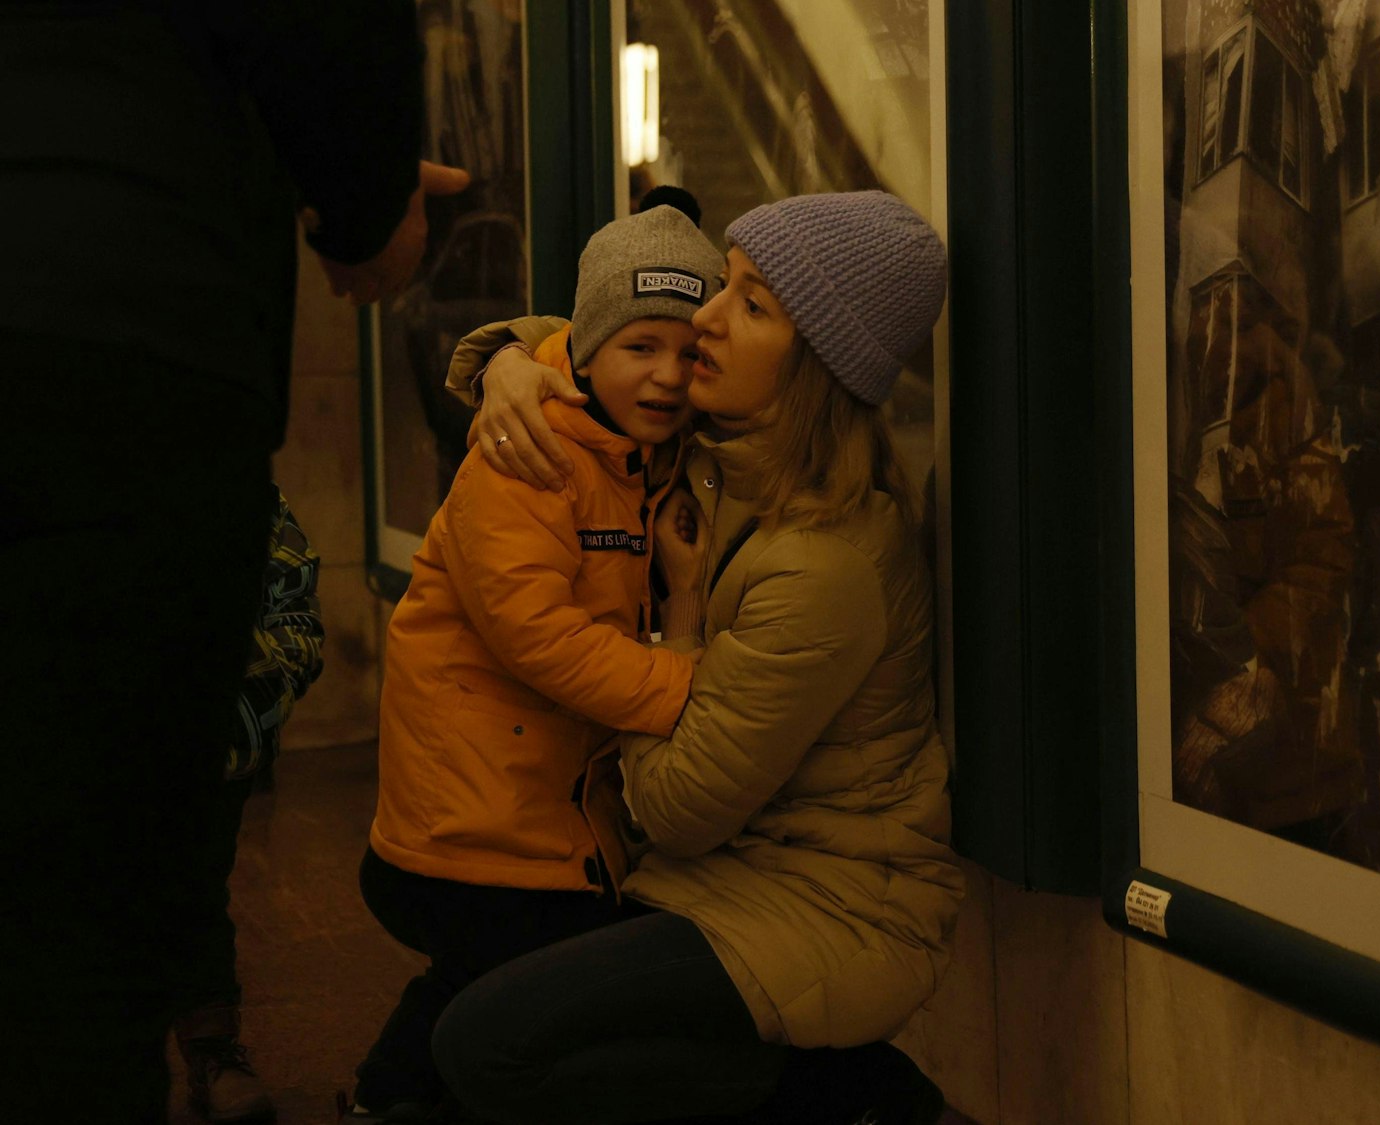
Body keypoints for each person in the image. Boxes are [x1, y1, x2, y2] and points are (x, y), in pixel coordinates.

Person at [0, 5, 454, 1122]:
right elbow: (328, 33)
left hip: (114, 329)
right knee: (92, 918)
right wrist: (364, 205)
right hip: (117, 345)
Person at [427, 190, 963, 1125]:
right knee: (467, 1005)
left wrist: (675, 620)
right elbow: (599, 335)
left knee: (485, 1049)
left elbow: (677, 810)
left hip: (823, 907)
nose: (704, 318)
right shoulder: (727, 446)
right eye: (728, 283)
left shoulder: (824, 565)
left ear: (816, 369)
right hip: (719, 878)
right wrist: (508, 360)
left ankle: (859, 1099)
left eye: (749, 305)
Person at [340, 202, 728, 1124]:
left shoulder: (649, 451)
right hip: (470, 821)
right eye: (641, 346)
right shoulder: (527, 451)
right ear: (588, 351)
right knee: (499, 977)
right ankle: (388, 1098)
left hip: (546, 812)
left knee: (503, 979)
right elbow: (540, 636)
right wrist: (696, 687)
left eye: (689, 351)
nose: (669, 376)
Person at [176, 488, 326, 1125]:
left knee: (193, 890)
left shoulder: (219, 462)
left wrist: (236, 717)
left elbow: (292, 604)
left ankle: (210, 1048)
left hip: (204, 742)